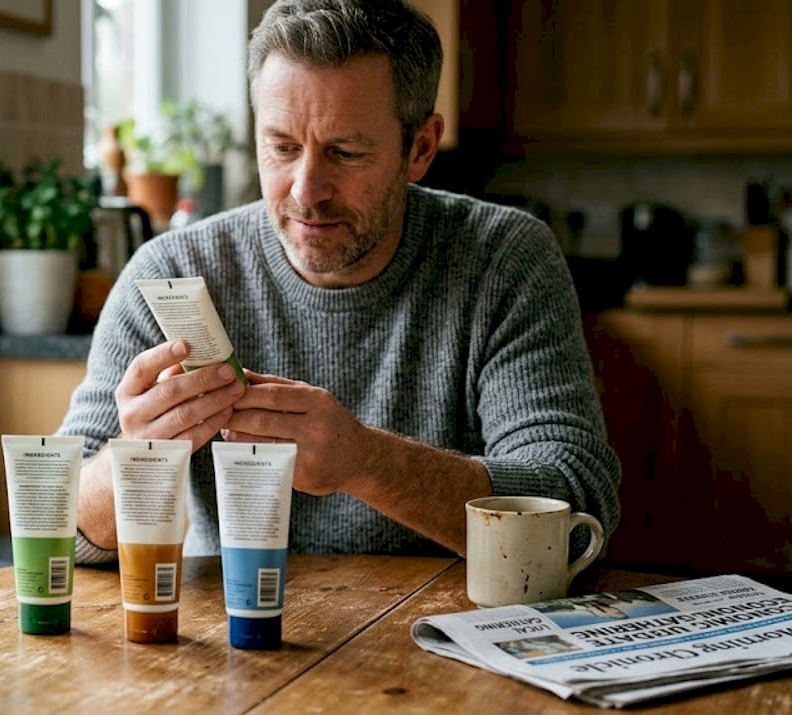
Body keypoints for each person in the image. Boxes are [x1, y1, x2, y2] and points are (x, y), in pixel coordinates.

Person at [60, 0, 620, 563]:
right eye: (281, 147)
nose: (306, 190)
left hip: (450, 633)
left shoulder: (503, 260)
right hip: (241, 637)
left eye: (345, 153)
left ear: (420, 148)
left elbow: (574, 515)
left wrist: (365, 462)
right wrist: (139, 459)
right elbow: (63, 524)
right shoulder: (171, 271)